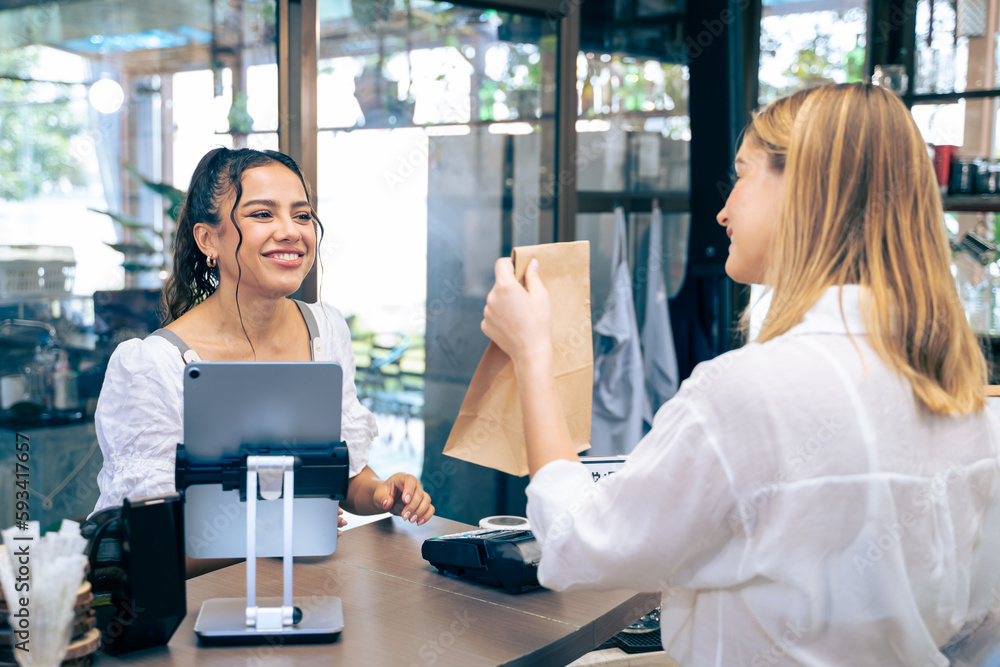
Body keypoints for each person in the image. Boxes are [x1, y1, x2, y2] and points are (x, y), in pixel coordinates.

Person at [481, 83, 1000, 664]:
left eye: (742, 174)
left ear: (807, 189)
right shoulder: (960, 395)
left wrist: (532, 354)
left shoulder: (750, 393)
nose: (723, 209)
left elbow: (577, 547)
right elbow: (970, 622)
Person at [94, 148, 434, 574]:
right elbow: (144, 547)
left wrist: (383, 491)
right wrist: (278, 529)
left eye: (302, 215)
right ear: (208, 239)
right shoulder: (152, 365)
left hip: (311, 590)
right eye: (261, 214)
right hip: (203, 612)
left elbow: (343, 479)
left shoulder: (324, 330)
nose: (291, 231)